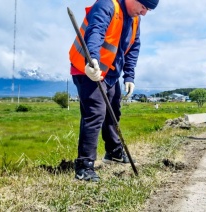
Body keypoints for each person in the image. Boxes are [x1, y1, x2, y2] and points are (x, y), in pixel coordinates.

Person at [68, 0, 159, 182]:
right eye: (143, 7)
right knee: (96, 112)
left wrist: (129, 76)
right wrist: (92, 59)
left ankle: (113, 152)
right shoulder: (107, 5)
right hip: (87, 69)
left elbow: (133, 47)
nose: (144, 13)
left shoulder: (134, 19)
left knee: (113, 110)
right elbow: (95, 32)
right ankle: (84, 166)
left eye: (148, 10)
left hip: (109, 73)